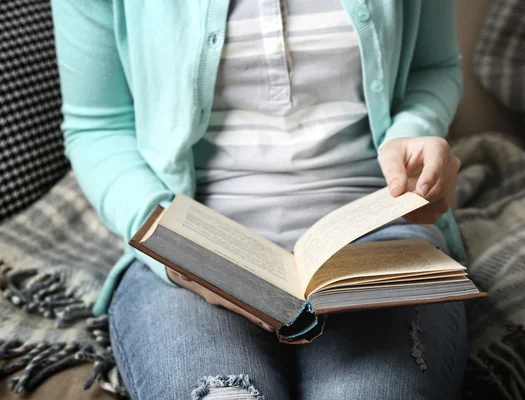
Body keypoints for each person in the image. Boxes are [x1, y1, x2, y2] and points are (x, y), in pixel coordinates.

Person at [51, 0, 466, 399]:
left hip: (375, 230)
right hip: (193, 249)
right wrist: (170, 243)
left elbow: (434, 68)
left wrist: (412, 132)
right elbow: (97, 127)